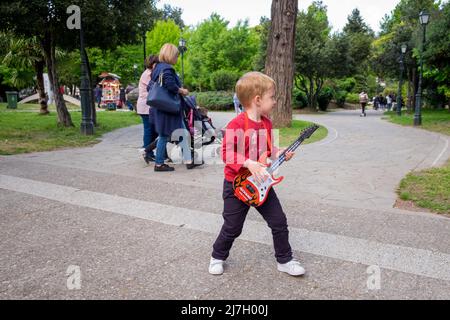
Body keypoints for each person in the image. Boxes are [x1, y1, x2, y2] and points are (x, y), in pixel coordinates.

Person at [209, 71, 305, 277]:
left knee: (279, 221)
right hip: (236, 186)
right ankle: (217, 256)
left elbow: (267, 149)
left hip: (261, 183)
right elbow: (225, 153)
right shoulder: (236, 124)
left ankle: (285, 260)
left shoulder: (267, 123)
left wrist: (279, 153)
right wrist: (248, 163)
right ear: (258, 100)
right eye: (272, 97)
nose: (275, 101)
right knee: (233, 227)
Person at [151, 43, 202, 172]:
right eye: (176, 56)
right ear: (170, 55)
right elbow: (170, 85)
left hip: (164, 108)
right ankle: (159, 164)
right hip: (169, 109)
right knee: (163, 135)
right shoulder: (167, 69)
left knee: (183, 133)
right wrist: (182, 91)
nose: (177, 59)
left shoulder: (157, 68)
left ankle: (189, 160)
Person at [137, 55, 159, 163]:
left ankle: (147, 149)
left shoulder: (148, 73)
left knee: (153, 130)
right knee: (149, 130)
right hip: (146, 106)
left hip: (147, 105)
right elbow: (154, 88)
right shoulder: (148, 74)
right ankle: (148, 152)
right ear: (153, 64)